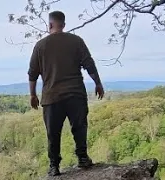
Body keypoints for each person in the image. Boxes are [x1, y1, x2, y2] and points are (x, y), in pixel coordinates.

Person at [27, 11, 104, 176]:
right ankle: (82, 158)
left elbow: (32, 73)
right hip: (75, 93)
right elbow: (89, 64)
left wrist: (32, 95)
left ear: (50, 25)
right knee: (79, 127)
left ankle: (54, 166)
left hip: (51, 97)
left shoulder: (40, 46)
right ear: (63, 24)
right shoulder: (76, 41)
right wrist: (98, 83)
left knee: (53, 133)